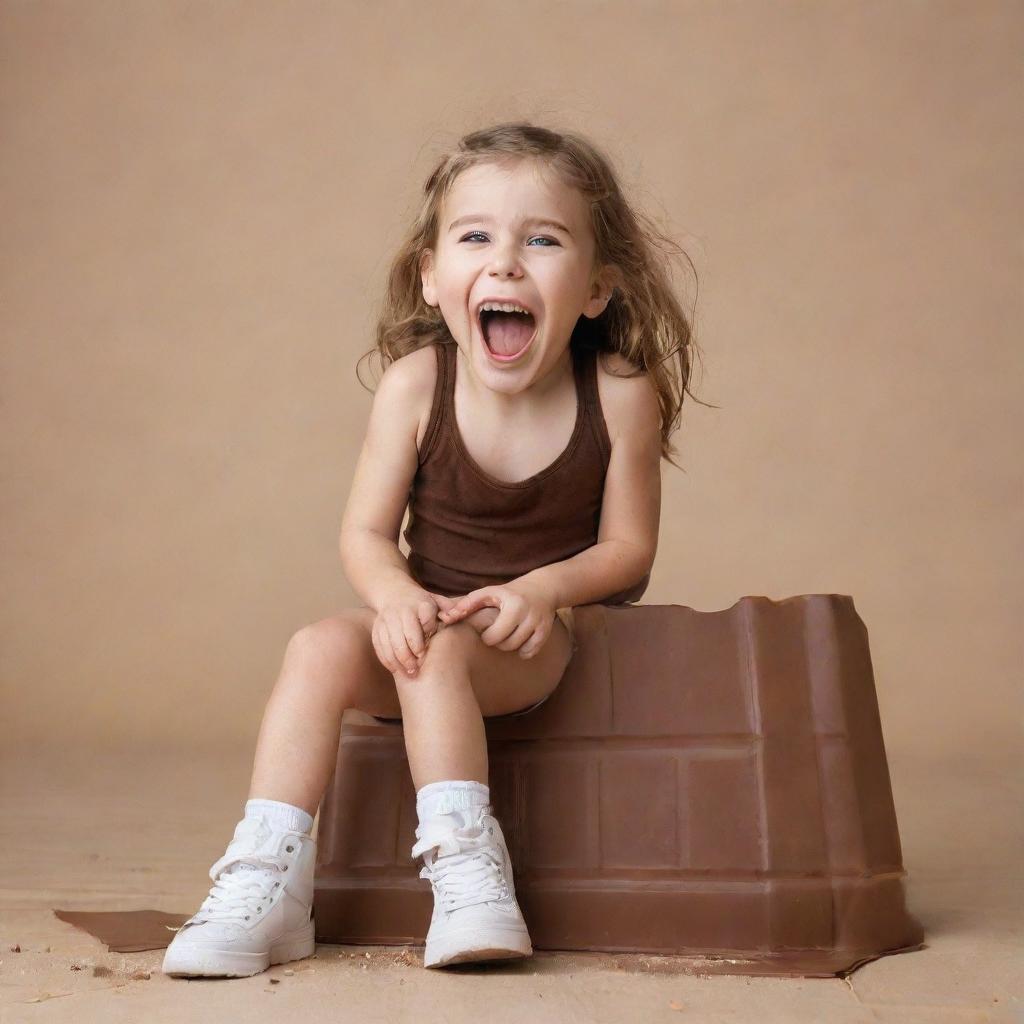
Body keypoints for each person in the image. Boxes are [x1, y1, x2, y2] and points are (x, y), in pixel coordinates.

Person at [162, 121, 701, 979]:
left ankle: (466, 872)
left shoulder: (619, 394)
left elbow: (629, 549)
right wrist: (395, 597)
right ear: (431, 275)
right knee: (315, 650)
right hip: (422, 630)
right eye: (476, 236)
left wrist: (544, 590)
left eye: (544, 239)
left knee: (443, 655)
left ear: (598, 288)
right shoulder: (419, 383)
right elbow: (366, 535)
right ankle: (267, 880)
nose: (507, 262)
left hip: (532, 645)